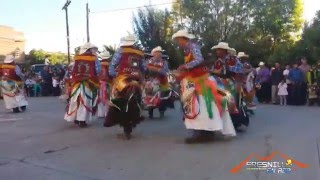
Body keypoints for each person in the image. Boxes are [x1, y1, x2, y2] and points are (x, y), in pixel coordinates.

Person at [172, 31, 236, 144]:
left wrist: (185, 66)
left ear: (184, 38)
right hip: (195, 78)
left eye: (178, 40)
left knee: (199, 103)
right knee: (194, 102)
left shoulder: (192, 46)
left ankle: (204, 131)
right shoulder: (187, 49)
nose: (178, 43)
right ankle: (202, 131)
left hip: (201, 79)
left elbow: (199, 60)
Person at [104, 34, 145, 139]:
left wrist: (114, 75)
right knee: (138, 98)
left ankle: (118, 120)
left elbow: (113, 65)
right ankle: (135, 118)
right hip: (136, 79)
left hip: (123, 80)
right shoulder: (140, 53)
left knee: (115, 97)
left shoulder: (120, 51)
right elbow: (143, 68)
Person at [211, 42, 248, 131]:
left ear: (224, 51)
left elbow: (240, 71)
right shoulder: (218, 61)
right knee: (221, 102)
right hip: (219, 84)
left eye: (219, 49)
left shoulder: (232, 59)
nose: (217, 51)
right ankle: (223, 123)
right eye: (217, 50)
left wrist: (239, 83)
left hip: (232, 83)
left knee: (233, 102)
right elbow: (214, 72)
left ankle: (235, 123)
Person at [64, 42, 101, 128]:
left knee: (74, 99)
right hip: (89, 82)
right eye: (92, 49)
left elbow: (72, 69)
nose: (94, 51)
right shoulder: (94, 58)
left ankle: (74, 117)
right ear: (89, 49)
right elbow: (98, 70)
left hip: (77, 82)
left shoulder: (76, 58)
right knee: (87, 100)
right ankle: (82, 120)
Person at [145, 46, 173, 119]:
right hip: (150, 81)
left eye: (160, 52)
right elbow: (145, 70)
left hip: (162, 81)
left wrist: (156, 69)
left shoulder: (164, 62)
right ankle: (150, 111)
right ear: (153, 54)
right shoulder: (148, 61)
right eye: (157, 52)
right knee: (149, 95)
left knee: (162, 96)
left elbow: (165, 72)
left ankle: (162, 111)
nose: (159, 54)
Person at [97, 51, 112, 118]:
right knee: (108, 97)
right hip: (108, 83)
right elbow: (112, 74)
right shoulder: (110, 65)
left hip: (99, 83)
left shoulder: (99, 64)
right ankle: (107, 113)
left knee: (100, 98)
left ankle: (101, 113)